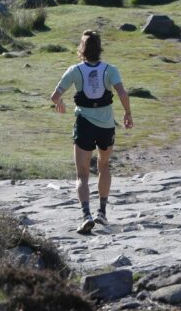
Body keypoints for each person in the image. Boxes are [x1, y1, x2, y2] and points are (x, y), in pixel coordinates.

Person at [50, 30, 133, 234]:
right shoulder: (110, 69)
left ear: (82, 49)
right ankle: (102, 212)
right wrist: (128, 113)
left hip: (84, 125)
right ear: (99, 49)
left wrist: (60, 103)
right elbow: (122, 92)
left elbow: (54, 96)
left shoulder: (74, 70)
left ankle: (86, 215)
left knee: (82, 174)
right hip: (106, 126)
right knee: (104, 165)